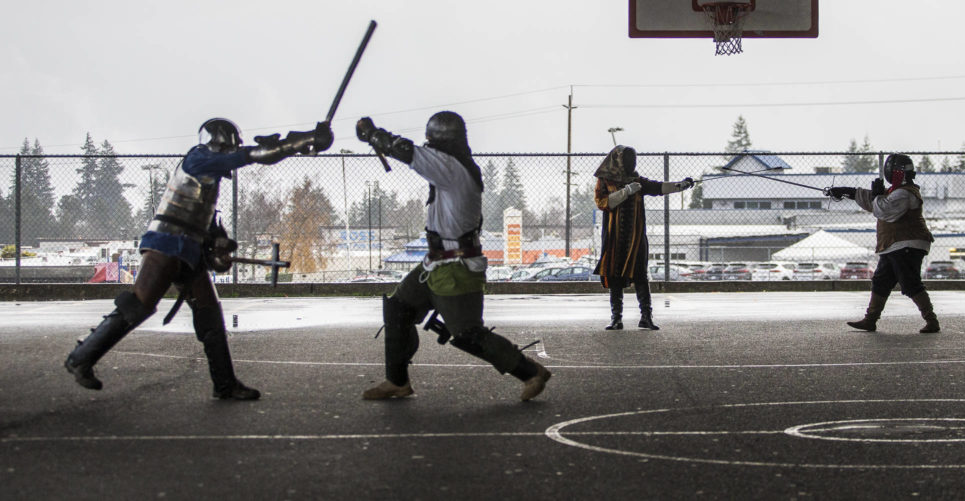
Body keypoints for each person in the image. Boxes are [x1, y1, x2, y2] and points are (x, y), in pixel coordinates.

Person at [65, 117, 333, 399]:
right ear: (221, 141)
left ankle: (225, 384)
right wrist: (302, 141)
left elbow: (206, 228)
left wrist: (218, 244)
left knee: (210, 315)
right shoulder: (199, 158)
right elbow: (255, 155)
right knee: (139, 306)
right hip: (167, 244)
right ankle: (81, 357)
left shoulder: (209, 176)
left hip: (188, 250)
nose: (236, 149)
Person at [356, 111, 551, 402]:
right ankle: (397, 381)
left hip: (456, 268)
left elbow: (407, 151)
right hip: (437, 262)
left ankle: (530, 372)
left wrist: (375, 136)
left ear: (438, 140)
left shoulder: (449, 166)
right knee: (398, 308)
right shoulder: (452, 165)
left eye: (430, 140)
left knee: (467, 334)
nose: (427, 145)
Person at [826, 153, 939, 334]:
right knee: (881, 282)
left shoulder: (905, 193)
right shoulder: (894, 192)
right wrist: (846, 192)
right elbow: (874, 201)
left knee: (910, 283)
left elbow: (884, 209)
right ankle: (870, 320)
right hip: (895, 246)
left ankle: (932, 321)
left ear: (894, 172)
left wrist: (877, 195)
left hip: (907, 245)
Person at [593, 145, 693, 331]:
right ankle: (616, 319)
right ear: (619, 161)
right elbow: (602, 202)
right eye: (629, 160)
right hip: (614, 238)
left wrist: (681, 185)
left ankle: (646, 317)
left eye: (634, 160)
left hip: (636, 238)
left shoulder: (637, 181)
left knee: (640, 275)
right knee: (615, 276)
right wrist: (626, 191)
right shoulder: (605, 180)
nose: (633, 163)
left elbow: (658, 187)